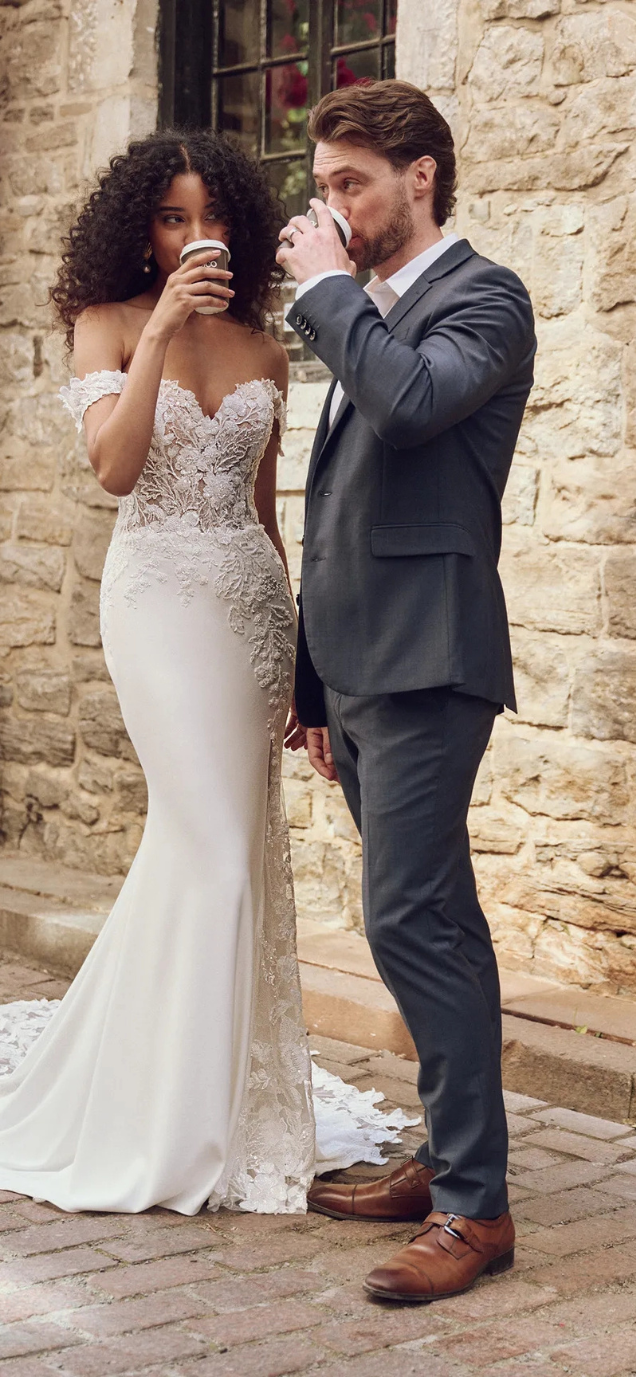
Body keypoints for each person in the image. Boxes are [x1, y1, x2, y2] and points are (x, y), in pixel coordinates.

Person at [0, 129, 411, 1215]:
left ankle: (221, 1102)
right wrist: (163, 331)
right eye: (172, 217)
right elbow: (114, 467)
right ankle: (166, 1124)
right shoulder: (108, 324)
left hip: (246, 610)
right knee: (214, 846)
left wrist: (299, 663)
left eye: (210, 215)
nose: (194, 237)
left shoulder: (270, 350)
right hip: (158, 603)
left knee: (227, 850)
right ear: (140, 227)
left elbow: (270, 519)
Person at [278, 80, 536, 1297]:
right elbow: (338, 515)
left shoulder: (483, 297)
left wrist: (330, 292)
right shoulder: (372, 314)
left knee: (406, 921)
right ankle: (450, 1162)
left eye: (351, 184)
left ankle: (478, 1214)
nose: (331, 206)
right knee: (439, 925)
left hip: (433, 665)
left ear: (419, 176)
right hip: (364, 670)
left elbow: (419, 405)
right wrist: (311, 681)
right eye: (323, 186)